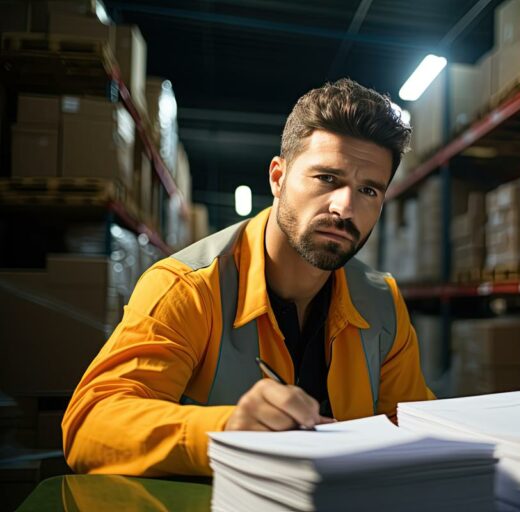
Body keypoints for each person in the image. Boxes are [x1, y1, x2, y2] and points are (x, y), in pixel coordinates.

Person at [62, 78, 435, 477]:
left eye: (368, 191)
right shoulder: (187, 287)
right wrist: (226, 431)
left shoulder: (382, 303)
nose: (345, 208)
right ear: (278, 177)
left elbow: (414, 428)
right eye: (327, 179)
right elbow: (91, 425)